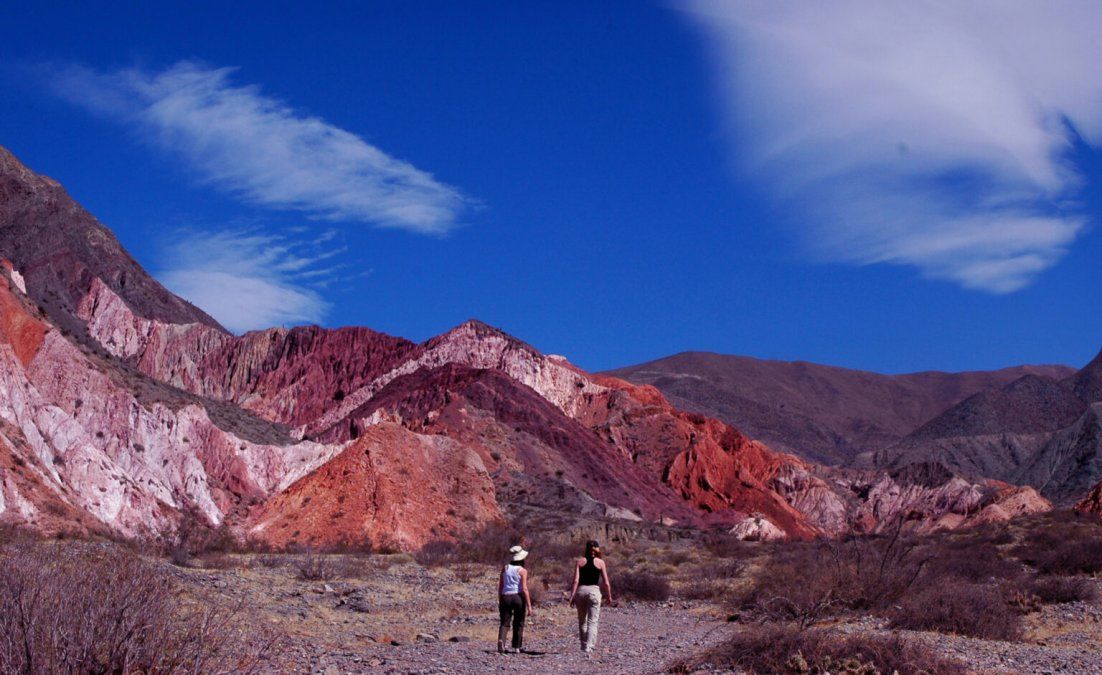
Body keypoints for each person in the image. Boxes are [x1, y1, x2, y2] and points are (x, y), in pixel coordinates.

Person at [568, 540, 614, 654]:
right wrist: (609, 596)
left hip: (581, 591)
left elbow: (575, 581)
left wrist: (572, 596)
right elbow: (606, 582)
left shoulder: (580, 562)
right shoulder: (600, 562)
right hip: (594, 591)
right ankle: (589, 646)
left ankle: (583, 646)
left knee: (582, 621)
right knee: (592, 621)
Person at [498, 545, 532, 654]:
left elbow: (501, 586)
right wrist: (529, 606)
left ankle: (501, 641)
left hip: (505, 596)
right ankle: (516, 647)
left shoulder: (505, 568)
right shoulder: (522, 570)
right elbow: (525, 589)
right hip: (517, 597)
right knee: (519, 622)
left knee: (504, 622)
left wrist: (500, 599)